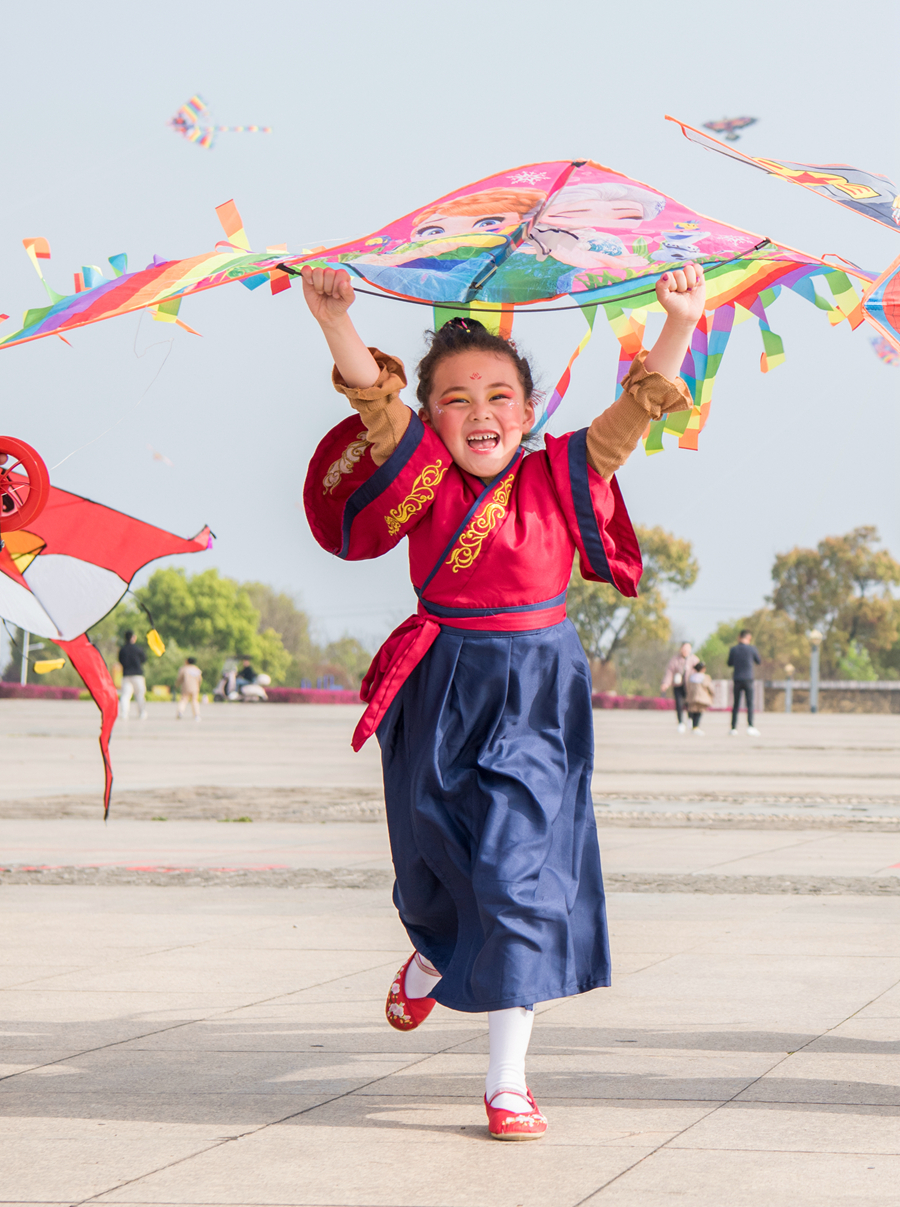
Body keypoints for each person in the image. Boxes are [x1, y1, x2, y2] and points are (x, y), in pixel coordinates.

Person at [301, 256, 705, 1141]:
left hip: (537, 694)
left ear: (527, 413)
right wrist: (336, 321)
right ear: (432, 416)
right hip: (440, 682)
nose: (478, 412)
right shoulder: (421, 473)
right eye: (454, 398)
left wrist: (677, 322)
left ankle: (507, 1080)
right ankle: (433, 949)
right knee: (437, 860)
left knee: (517, 879)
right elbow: (376, 404)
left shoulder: (563, 472)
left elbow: (637, 411)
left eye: (497, 397)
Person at [728, 629, 762, 735]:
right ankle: (750, 726)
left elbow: (729, 663)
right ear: (749, 638)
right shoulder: (752, 649)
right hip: (748, 679)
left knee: (736, 704)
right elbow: (758, 661)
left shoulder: (734, 649)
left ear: (739, 637)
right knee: (750, 703)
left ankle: (733, 728)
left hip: (737, 679)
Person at [661, 641, 698, 732]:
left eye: (687, 649)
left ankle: (690, 720)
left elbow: (699, 672)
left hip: (690, 686)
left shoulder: (694, 659)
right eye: (684, 649)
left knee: (690, 704)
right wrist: (666, 683)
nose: (685, 651)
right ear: (681, 649)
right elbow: (669, 672)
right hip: (678, 685)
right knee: (679, 704)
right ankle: (681, 723)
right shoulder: (675, 659)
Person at [118, 630, 147, 720]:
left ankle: (124, 713)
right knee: (140, 694)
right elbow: (144, 659)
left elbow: (120, 660)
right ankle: (142, 713)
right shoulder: (138, 648)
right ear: (133, 637)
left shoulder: (123, 649)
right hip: (137, 674)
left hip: (126, 675)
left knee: (126, 695)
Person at [685, 660, 714, 734]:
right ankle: (696, 727)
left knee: (693, 711)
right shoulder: (705, 677)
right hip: (701, 698)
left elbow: (687, 687)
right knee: (699, 712)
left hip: (692, 698)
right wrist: (712, 694)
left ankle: (692, 725)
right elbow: (709, 687)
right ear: (703, 669)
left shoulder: (691, 677)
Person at [175, 656, 203, 722]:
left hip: (186, 687)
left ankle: (180, 712)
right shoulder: (196, 669)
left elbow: (180, 678)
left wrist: (177, 684)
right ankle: (196, 715)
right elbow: (200, 679)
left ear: (187, 661)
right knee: (194, 701)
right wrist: (198, 686)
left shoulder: (184, 668)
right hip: (195, 687)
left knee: (184, 700)